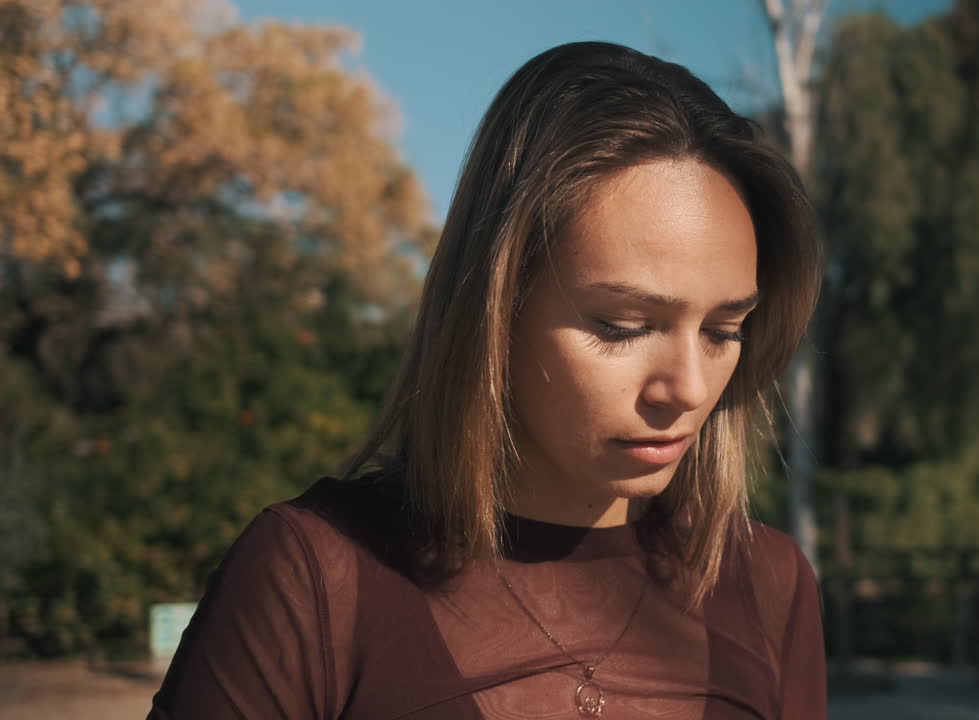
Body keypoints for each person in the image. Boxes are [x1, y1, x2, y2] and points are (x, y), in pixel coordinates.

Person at [148, 41, 824, 719]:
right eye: (623, 326)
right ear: (495, 310)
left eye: (723, 331)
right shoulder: (314, 577)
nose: (688, 389)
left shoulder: (769, 585)